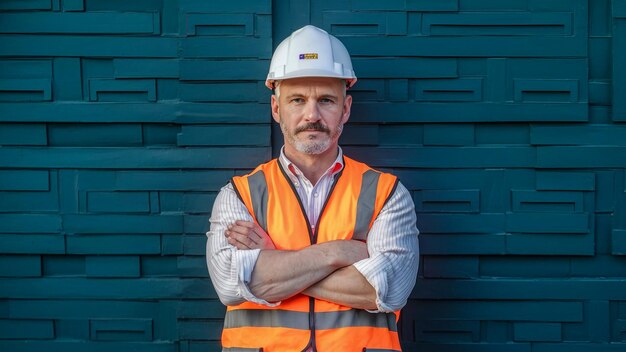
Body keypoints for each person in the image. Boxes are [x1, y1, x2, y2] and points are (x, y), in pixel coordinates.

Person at [206, 25, 419, 352]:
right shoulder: (239, 195)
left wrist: (273, 265)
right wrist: (339, 253)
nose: (312, 115)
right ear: (277, 109)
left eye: (326, 100)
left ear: (345, 109)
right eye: (297, 100)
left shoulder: (386, 194)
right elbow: (230, 286)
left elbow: (388, 292)